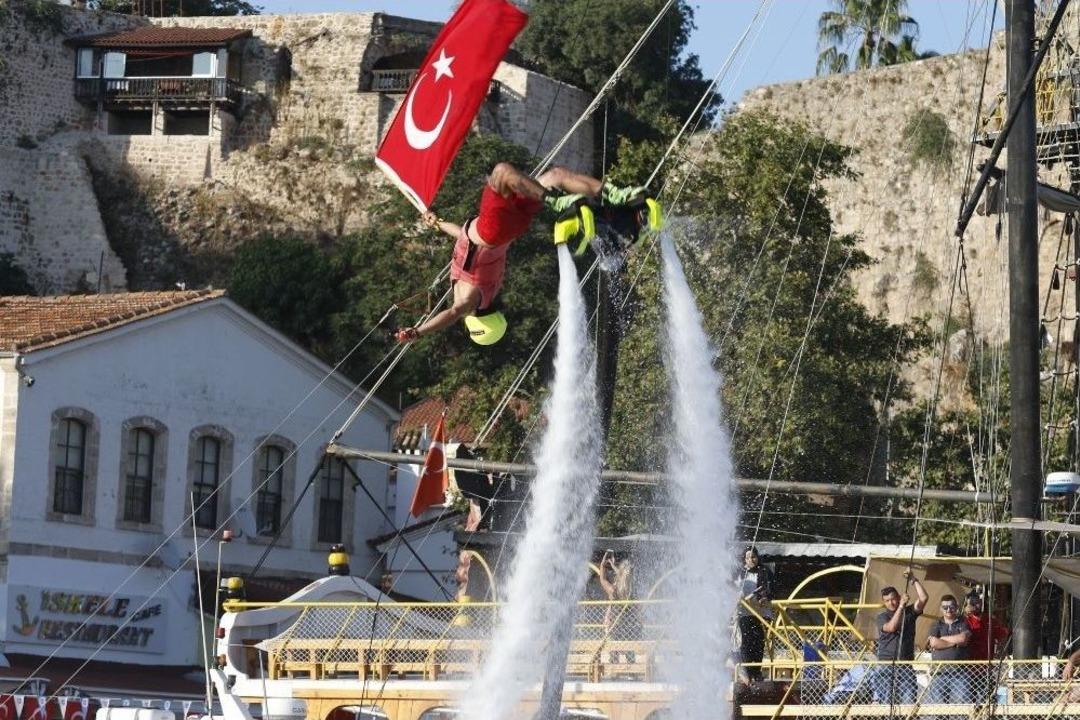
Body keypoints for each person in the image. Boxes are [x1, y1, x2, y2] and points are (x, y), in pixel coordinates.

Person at [394, 162, 647, 345]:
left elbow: (462, 234)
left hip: (507, 227)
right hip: (492, 230)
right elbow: (451, 313)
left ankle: (616, 196)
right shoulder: (472, 300)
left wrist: (437, 223)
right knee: (502, 172)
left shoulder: (481, 293)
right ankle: (555, 202)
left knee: (555, 175)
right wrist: (418, 332)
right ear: (477, 323)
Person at [871, 571, 929, 705]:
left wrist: (913, 580)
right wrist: (901, 606)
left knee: (908, 702)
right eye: (887, 601)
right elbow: (891, 627)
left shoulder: (910, 612)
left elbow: (924, 598)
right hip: (886, 665)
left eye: (893, 599)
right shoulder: (882, 617)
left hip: (905, 664)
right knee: (887, 703)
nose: (891, 602)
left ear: (898, 597)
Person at [925, 593, 972, 706]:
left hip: (960, 673)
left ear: (956, 607)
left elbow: (963, 639)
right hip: (939, 673)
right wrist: (954, 643)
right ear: (941, 609)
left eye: (951, 606)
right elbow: (934, 643)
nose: (948, 609)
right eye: (945, 607)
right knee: (938, 708)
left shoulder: (964, 622)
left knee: (962, 708)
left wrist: (942, 639)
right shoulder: (936, 624)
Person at [738, 546, 775, 682]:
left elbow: (771, 589)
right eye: (748, 557)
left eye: (753, 557)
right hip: (745, 612)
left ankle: (756, 671)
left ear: (757, 558)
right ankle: (748, 671)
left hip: (761, 612)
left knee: (759, 642)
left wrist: (765, 597)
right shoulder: (741, 573)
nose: (751, 560)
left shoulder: (765, 571)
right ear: (744, 559)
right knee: (747, 641)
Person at [964, 593, 1008, 702]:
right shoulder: (964, 621)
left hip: (986, 667)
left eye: (977, 603)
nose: (975, 606)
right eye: (972, 603)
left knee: (990, 698)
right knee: (970, 700)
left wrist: (1001, 650)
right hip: (968, 668)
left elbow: (1002, 634)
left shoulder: (990, 620)